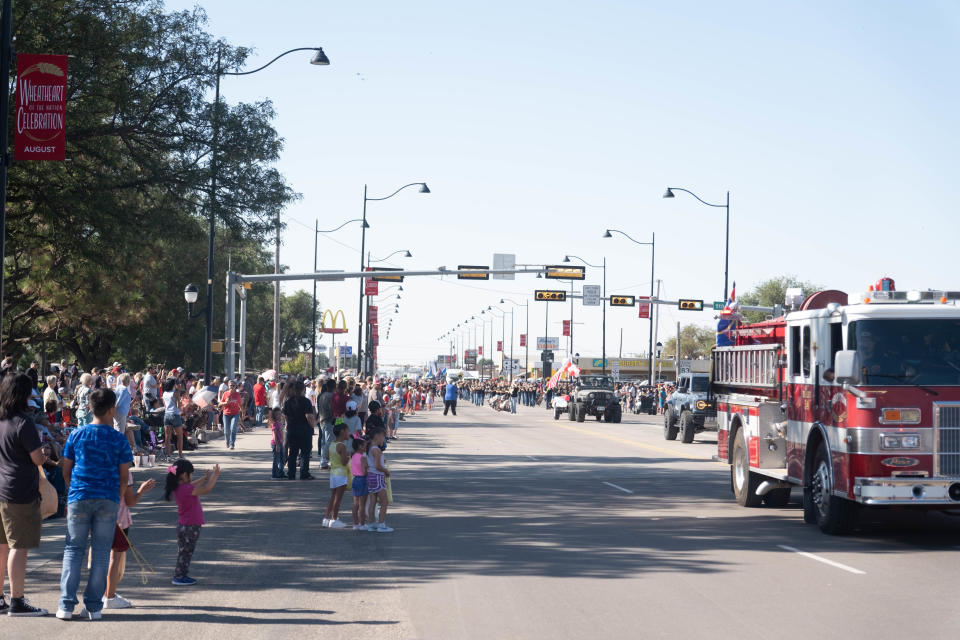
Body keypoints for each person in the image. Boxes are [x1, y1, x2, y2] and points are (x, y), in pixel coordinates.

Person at [57, 388, 134, 621]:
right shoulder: (119, 439)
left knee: (73, 550)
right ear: (112, 409)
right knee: (101, 552)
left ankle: (66, 606)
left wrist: (74, 489)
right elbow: (124, 475)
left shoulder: (76, 435)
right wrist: (116, 493)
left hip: (79, 495)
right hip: (107, 498)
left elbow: (66, 469)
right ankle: (94, 606)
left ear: (90, 407)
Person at [0, 373, 49, 616]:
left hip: (0, 488)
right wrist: (45, 452)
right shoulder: (23, 422)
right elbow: (37, 458)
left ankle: (0, 598)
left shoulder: (1, 420)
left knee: (1, 546)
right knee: (19, 546)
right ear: (23, 394)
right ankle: (17, 601)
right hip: (19, 490)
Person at [103, 471, 156, 609]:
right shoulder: (124, 472)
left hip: (98, 518)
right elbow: (130, 501)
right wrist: (142, 490)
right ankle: (110, 596)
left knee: (100, 559)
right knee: (114, 560)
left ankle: (105, 593)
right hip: (119, 521)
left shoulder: (96, 465)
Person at [164, 459, 221, 586]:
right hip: (190, 526)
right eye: (191, 473)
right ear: (184, 475)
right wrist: (214, 476)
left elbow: (192, 485)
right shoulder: (186, 489)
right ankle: (179, 577)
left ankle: (181, 575)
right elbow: (206, 489)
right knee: (186, 552)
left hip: (184, 525)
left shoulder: (179, 487)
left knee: (184, 551)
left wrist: (203, 478)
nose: (192, 476)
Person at [282, 380, 317, 480]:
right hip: (304, 430)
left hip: (292, 429)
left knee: (293, 452)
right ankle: (304, 473)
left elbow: (286, 416)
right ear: (303, 389)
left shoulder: (288, 402)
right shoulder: (306, 401)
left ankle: (291, 473)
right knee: (305, 453)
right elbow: (309, 416)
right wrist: (313, 425)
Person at [365, 429, 393, 532]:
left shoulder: (369, 448)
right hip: (377, 477)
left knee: (373, 502)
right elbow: (377, 466)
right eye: (383, 436)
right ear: (377, 436)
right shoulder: (376, 450)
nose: (384, 439)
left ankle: (371, 524)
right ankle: (381, 524)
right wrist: (385, 471)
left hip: (371, 477)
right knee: (384, 501)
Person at [323, 424, 350, 529]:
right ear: (342, 432)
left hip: (333, 473)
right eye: (347, 431)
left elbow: (327, 456)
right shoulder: (342, 446)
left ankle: (326, 519)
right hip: (341, 474)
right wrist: (348, 456)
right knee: (338, 499)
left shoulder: (332, 444)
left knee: (333, 497)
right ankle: (334, 519)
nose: (349, 433)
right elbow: (344, 462)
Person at [350, 438, 369, 531]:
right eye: (365, 446)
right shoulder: (363, 458)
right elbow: (364, 472)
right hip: (363, 480)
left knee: (356, 503)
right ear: (360, 447)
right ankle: (362, 524)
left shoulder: (353, 456)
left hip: (355, 479)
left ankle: (355, 523)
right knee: (362, 504)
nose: (366, 447)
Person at [316, 379, 335, 469]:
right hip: (329, 420)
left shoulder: (321, 395)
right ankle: (324, 461)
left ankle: (324, 461)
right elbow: (332, 409)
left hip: (322, 420)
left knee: (324, 441)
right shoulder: (331, 396)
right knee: (329, 441)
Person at [162, 378, 184, 457]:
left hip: (167, 414)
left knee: (167, 436)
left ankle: (168, 455)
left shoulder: (164, 393)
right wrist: (180, 403)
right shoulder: (176, 393)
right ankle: (180, 454)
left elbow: (165, 405)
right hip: (175, 414)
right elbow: (178, 406)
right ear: (173, 384)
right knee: (179, 435)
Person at [220, 380, 242, 450]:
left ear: (235, 386)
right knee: (226, 430)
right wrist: (226, 402)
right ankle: (227, 441)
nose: (232, 387)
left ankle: (232, 444)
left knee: (233, 428)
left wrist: (243, 411)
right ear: (228, 386)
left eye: (233, 385)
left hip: (235, 413)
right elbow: (220, 404)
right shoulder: (225, 394)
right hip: (226, 414)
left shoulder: (237, 394)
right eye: (230, 385)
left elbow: (239, 404)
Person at [114, 373, 133, 449]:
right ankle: (118, 449)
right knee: (120, 431)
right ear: (128, 381)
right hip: (121, 411)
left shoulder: (118, 388)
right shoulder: (124, 389)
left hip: (118, 411)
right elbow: (119, 401)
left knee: (117, 428)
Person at [269, 408, 286, 479]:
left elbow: (282, 433)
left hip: (281, 443)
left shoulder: (280, 423)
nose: (279, 416)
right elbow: (275, 435)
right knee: (276, 459)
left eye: (280, 414)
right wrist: (277, 445)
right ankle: (275, 474)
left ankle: (281, 472)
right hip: (276, 444)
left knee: (282, 459)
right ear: (274, 416)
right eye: (277, 414)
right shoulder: (275, 424)